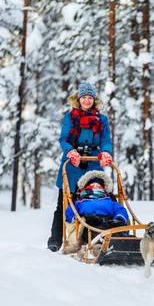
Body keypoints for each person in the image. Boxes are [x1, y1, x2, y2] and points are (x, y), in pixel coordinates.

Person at [47, 81, 114, 252]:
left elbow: (106, 140)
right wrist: (70, 151)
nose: (86, 101)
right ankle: (56, 239)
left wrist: (106, 152)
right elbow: (64, 139)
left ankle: (98, 236)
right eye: (83, 97)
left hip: (92, 163)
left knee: (97, 200)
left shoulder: (102, 119)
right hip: (72, 165)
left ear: (94, 100)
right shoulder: (70, 117)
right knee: (64, 202)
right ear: (78, 99)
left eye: (89, 97)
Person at [63, 171, 129, 253]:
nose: (95, 188)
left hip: (109, 224)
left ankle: (126, 242)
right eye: (92, 188)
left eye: (98, 189)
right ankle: (100, 247)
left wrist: (119, 218)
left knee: (117, 230)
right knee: (95, 233)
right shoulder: (80, 202)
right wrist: (75, 218)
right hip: (89, 225)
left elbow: (120, 210)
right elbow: (70, 211)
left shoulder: (110, 202)